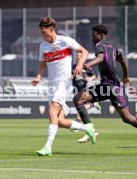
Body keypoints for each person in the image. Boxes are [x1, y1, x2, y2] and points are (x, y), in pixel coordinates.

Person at [73, 24, 137, 152]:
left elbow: (100, 58)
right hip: (106, 86)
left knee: (127, 118)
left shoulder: (99, 45)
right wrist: (126, 76)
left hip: (113, 87)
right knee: (78, 99)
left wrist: (87, 65)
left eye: (94, 36)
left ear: (101, 35)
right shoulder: (113, 48)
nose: (92, 38)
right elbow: (123, 60)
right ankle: (91, 130)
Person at [31, 17, 96, 156]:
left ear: (51, 29)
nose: (43, 35)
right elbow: (42, 65)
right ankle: (87, 128)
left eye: (44, 32)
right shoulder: (43, 46)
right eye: (41, 32)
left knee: (52, 109)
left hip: (64, 82)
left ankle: (48, 147)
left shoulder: (64, 40)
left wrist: (79, 65)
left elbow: (84, 51)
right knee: (59, 121)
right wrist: (38, 77)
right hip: (52, 84)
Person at [72, 51, 101, 143]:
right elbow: (71, 76)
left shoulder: (86, 67)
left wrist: (89, 78)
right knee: (80, 109)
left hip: (85, 91)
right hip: (76, 90)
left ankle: (81, 125)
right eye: (77, 56)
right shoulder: (73, 67)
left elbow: (94, 76)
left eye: (80, 56)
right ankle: (89, 130)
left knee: (81, 108)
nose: (78, 57)